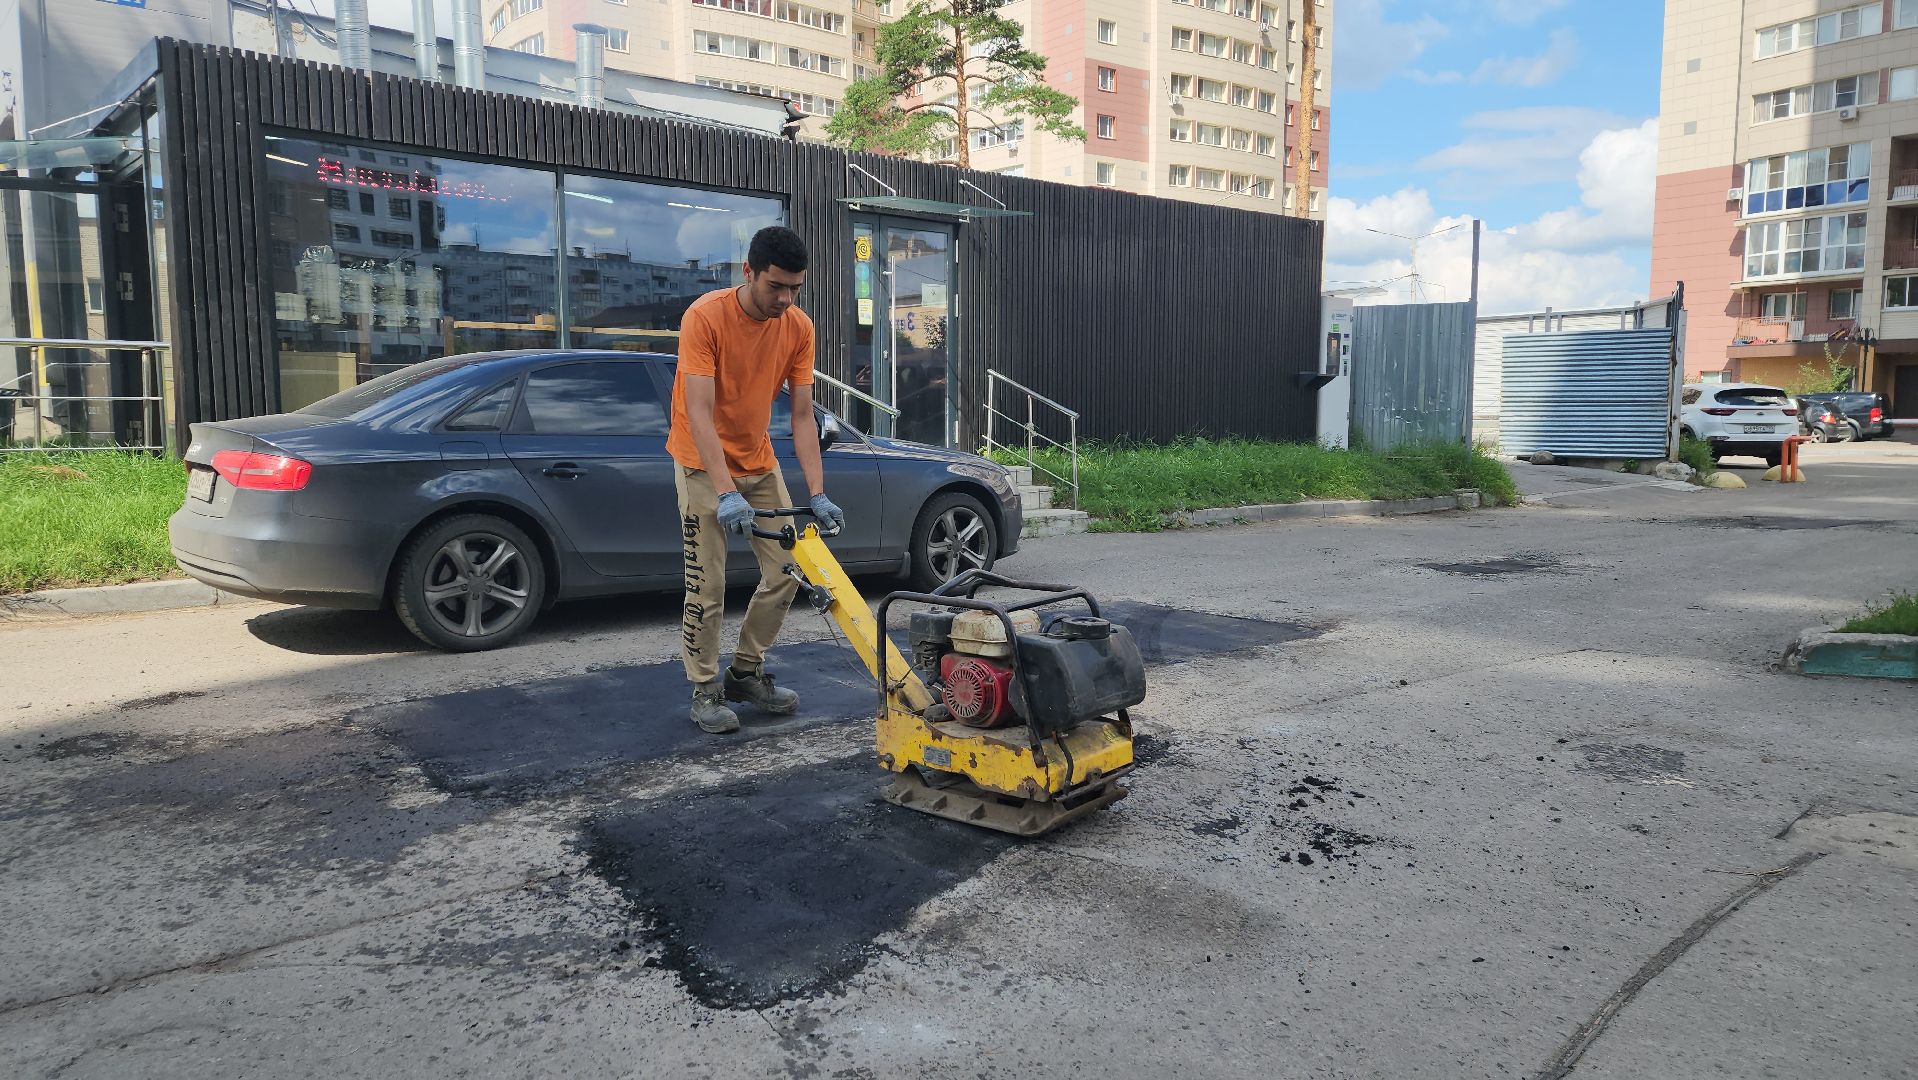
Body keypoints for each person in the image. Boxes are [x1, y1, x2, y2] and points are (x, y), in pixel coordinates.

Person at [666, 225, 845, 735]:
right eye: (776, 287)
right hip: (701, 462)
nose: (786, 300)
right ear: (748, 272)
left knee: (789, 570)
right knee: (708, 585)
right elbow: (699, 413)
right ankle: (705, 689)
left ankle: (745, 672)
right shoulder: (705, 317)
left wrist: (817, 492)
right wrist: (724, 491)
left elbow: (804, 415)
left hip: (758, 461)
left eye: (795, 289)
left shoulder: (798, 327)